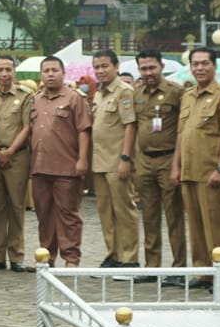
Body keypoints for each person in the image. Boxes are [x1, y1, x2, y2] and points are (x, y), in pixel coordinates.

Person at [173, 46, 220, 290]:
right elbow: (182, 133)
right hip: (190, 171)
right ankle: (202, 272)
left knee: (217, 227)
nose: (199, 68)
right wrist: (176, 166)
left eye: (204, 63)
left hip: (212, 172)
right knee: (197, 226)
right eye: (195, 64)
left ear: (214, 66)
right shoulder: (188, 95)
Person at [30, 56, 92, 267]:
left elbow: (84, 130)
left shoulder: (75, 98)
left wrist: (82, 160)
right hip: (39, 167)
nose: (50, 74)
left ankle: (71, 258)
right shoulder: (36, 99)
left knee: (68, 214)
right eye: (46, 70)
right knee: (44, 214)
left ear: (63, 73)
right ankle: (46, 256)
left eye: (54, 70)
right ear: (41, 75)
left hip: (66, 166)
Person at [132, 50, 187, 286]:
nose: (148, 73)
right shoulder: (137, 94)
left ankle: (179, 268)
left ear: (161, 66)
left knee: (174, 215)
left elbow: (183, 128)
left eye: (151, 68)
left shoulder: (176, 92)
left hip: (168, 160)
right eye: (143, 69)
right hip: (144, 161)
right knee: (149, 216)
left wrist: (178, 163)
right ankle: (152, 266)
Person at [0, 56, 32, 272]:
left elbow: (27, 127)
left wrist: (10, 151)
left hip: (17, 156)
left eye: (8, 69)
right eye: (0, 69)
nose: (4, 74)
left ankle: (17, 256)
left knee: (16, 206)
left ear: (14, 72)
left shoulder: (25, 96)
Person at [89, 49, 139, 270]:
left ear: (117, 67)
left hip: (117, 161)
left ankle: (129, 258)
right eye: (97, 67)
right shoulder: (99, 93)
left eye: (105, 66)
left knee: (124, 211)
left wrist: (125, 158)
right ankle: (113, 253)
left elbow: (130, 125)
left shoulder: (124, 91)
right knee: (106, 212)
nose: (100, 70)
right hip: (100, 161)